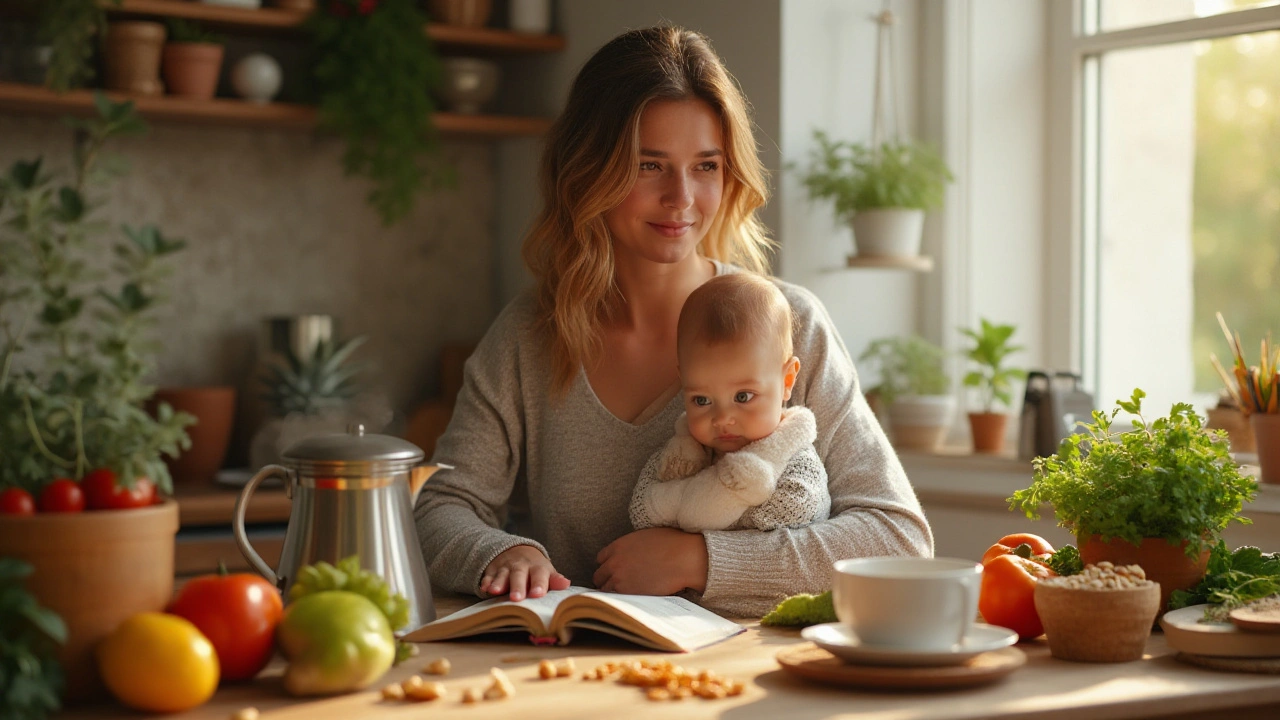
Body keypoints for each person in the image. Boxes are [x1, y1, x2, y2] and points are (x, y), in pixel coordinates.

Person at [414, 25, 932, 617]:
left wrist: (701, 561)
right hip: (582, 682)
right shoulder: (529, 336)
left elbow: (898, 539)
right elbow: (439, 505)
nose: (682, 197)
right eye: (648, 165)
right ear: (588, 172)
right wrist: (499, 555)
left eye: (706, 166)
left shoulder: (792, 324)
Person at [629, 273, 830, 533]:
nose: (722, 418)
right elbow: (640, 510)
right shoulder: (683, 454)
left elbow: (795, 508)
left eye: (743, 397)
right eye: (701, 400)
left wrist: (685, 505)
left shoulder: (793, 456)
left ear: (787, 380)